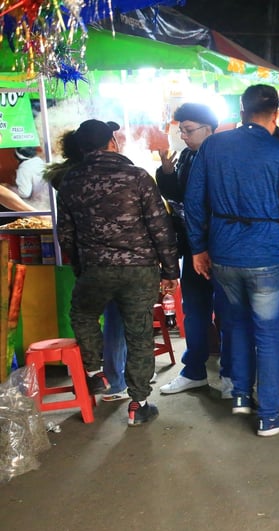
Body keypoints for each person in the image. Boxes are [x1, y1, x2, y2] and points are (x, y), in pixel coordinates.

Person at [185, 84, 279, 437]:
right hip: (267, 254)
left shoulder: (213, 145)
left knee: (235, 325)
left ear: (241, 110)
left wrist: (198, 248)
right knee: (269, 336)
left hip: (223, 253)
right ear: (275, 114)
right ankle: (270, 415)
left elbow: (194, 203)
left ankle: (241, 394)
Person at [57, 119, 179, 426]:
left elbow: (66, 235)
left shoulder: (70, 182)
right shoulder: (137, 176)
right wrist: (169, 271)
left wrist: (81, 267)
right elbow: (160, 228)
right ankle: (138, 404)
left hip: (95, 270)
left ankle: (95, 372)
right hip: (139, 270)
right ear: (112, 142)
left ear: (82, 148)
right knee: (139, 334)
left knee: (83, 315)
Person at [155, 102, 231, 397]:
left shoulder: (225, 157)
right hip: (192, 246)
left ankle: (231, 375)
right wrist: (166, 167)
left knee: (228, 314)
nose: (183, 136)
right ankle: (194, 370)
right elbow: (175, 195)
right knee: (195, 311)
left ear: (208, 129)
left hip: (223, 248)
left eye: (188, 130)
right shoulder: (186, 156)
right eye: (181, 130)